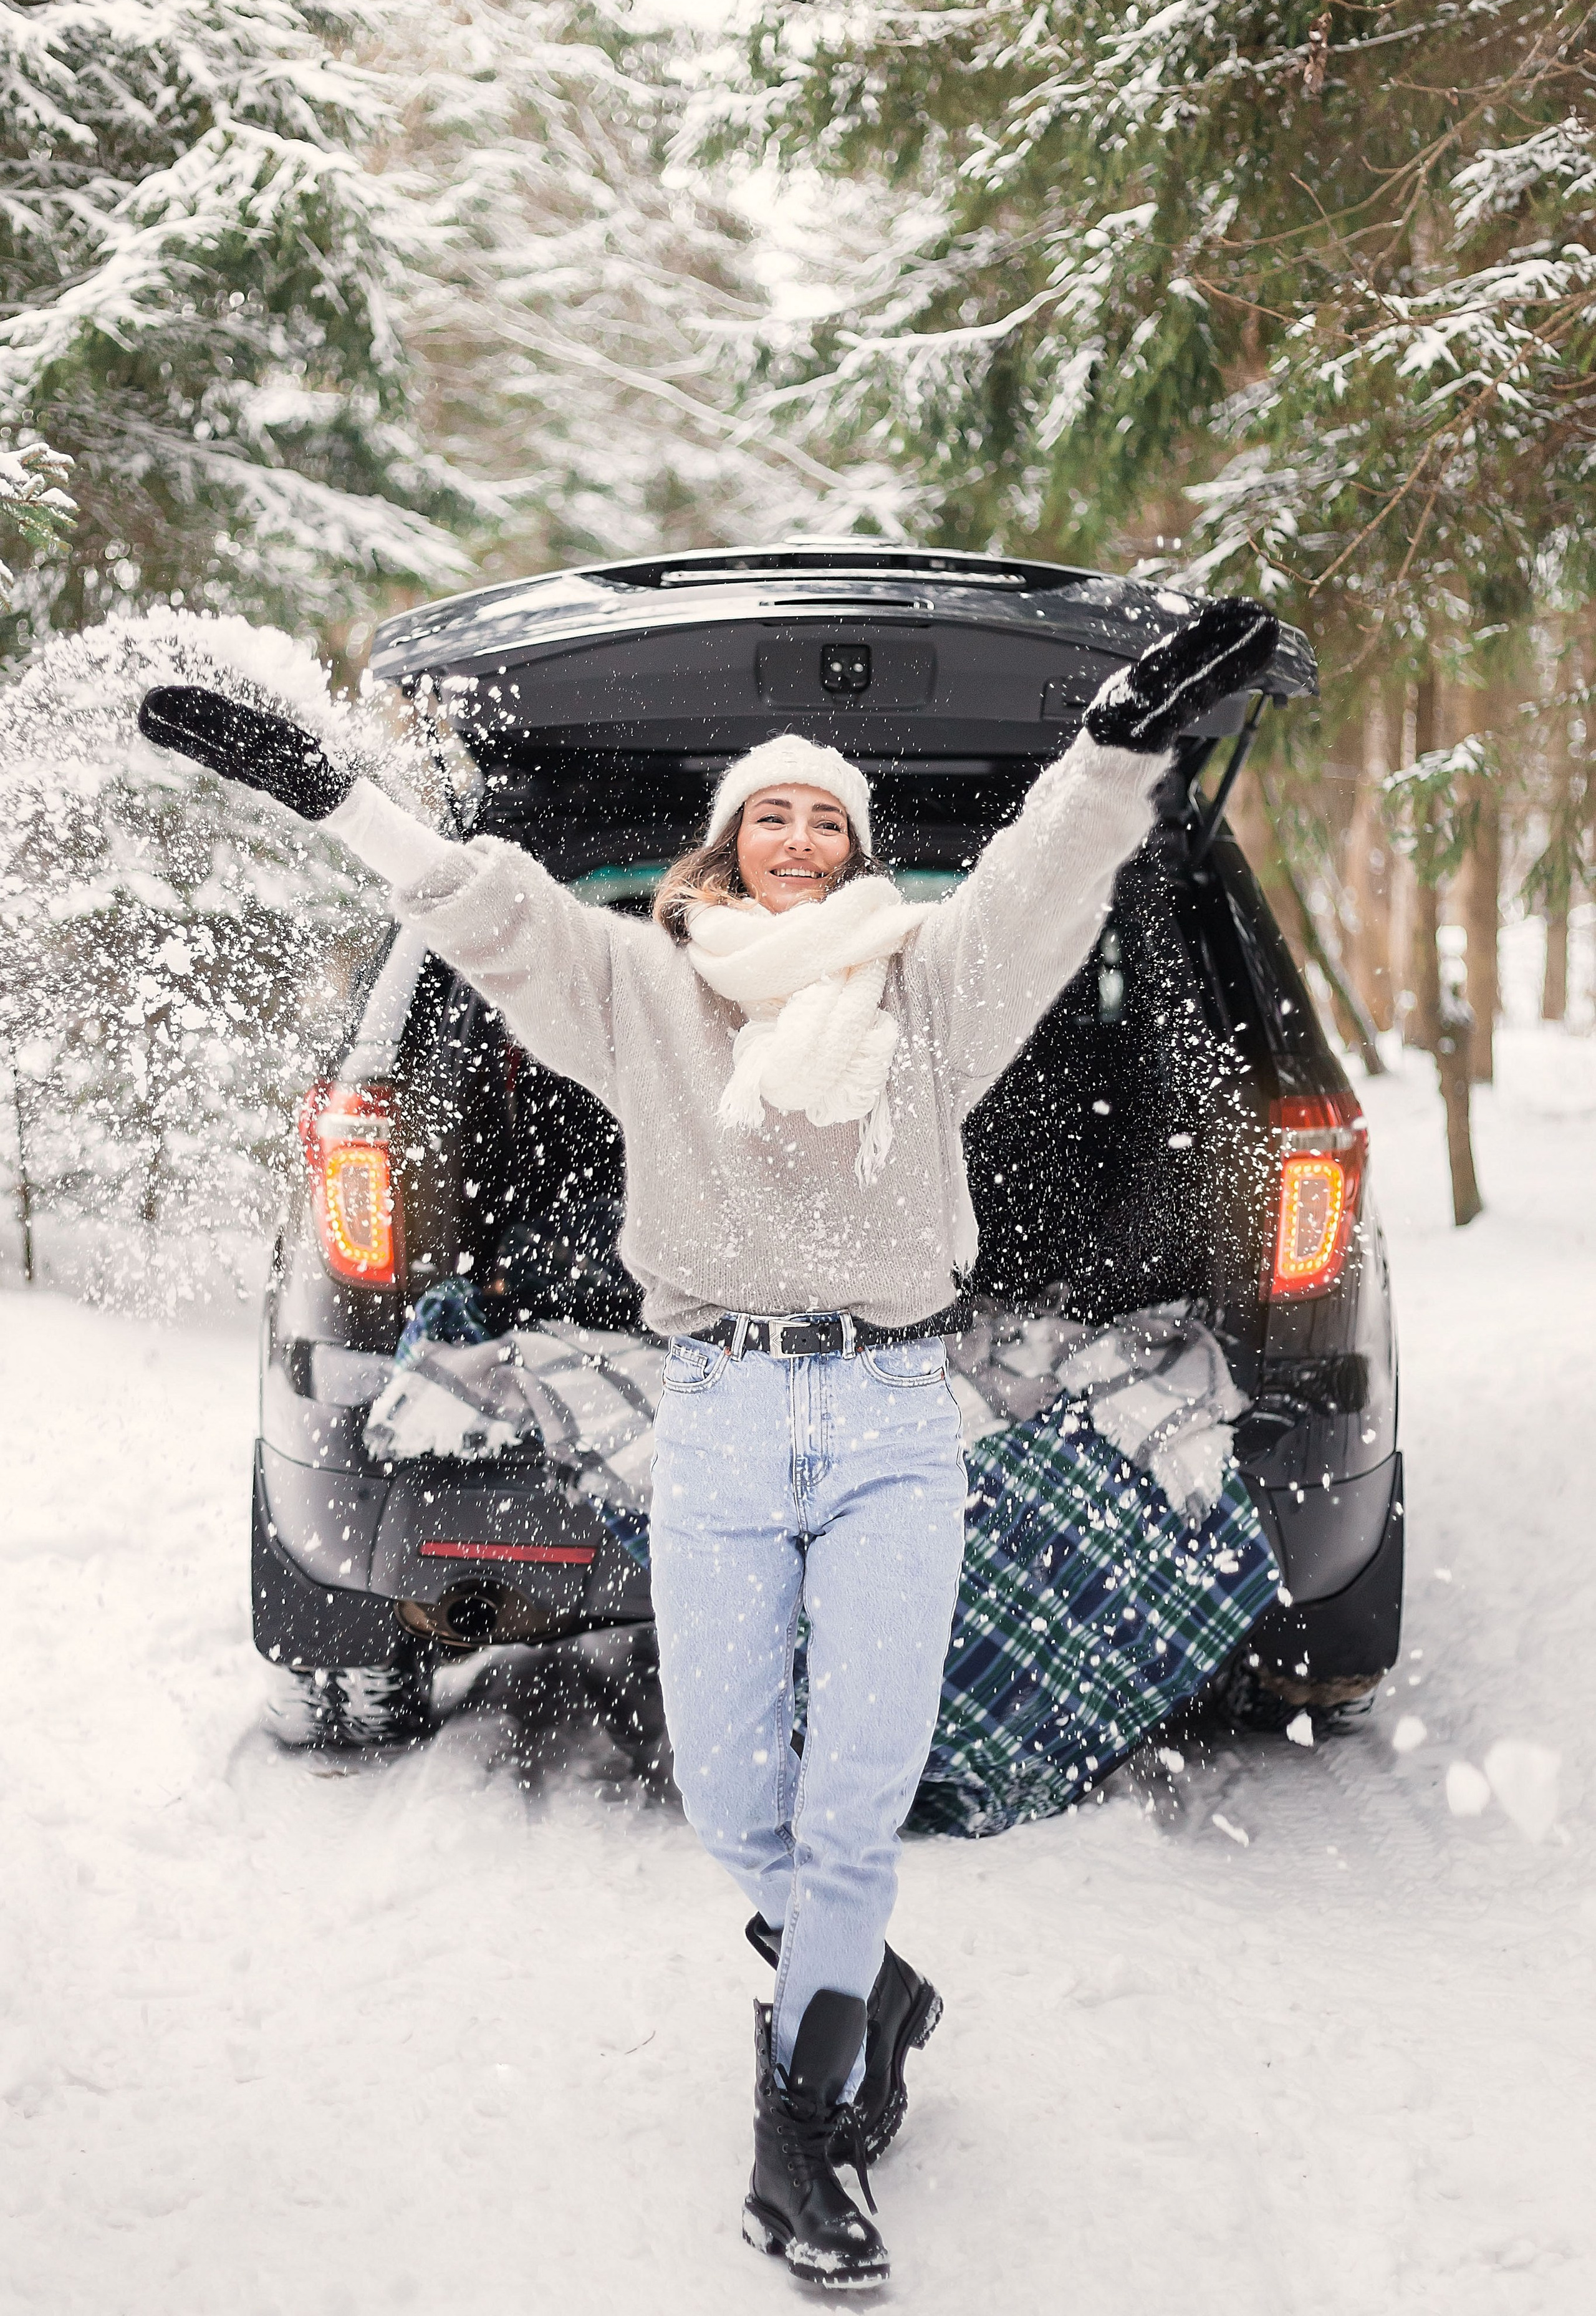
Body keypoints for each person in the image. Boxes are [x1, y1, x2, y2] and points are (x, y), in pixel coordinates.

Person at [138, 594, 1278, 2292]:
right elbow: (483, 907)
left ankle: (805, 2133)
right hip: (726, 1422)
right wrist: (330, 791)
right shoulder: (640, 995)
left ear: (861, 854)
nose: (803, 834)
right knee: (742, 1805)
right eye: (773, 813)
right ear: (728, 851)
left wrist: (1115, 750)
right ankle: (866, 1991)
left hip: (895, 1418)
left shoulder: (929, 999)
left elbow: (1042, 884)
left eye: (830, 815)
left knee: (855, 1806)